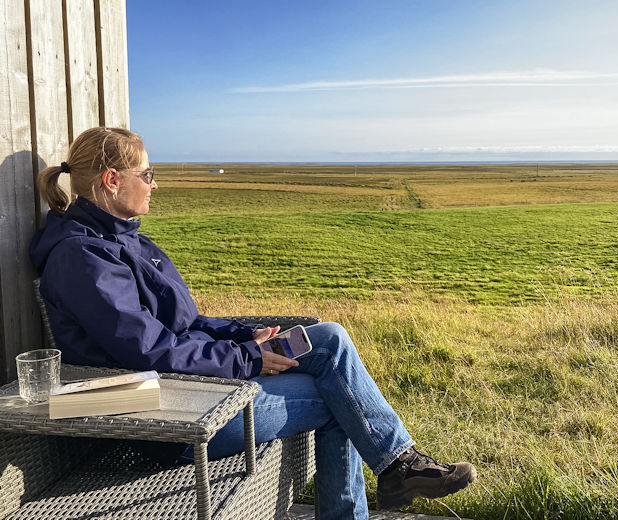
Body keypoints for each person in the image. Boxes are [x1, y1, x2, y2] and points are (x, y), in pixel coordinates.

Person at [29, 127, 476, 518]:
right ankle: (396, 470)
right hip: (167, 415)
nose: (155, 184)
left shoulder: (122, 242)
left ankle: (399, 466)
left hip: (190, 388)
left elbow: (185, 323)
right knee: (341, 400)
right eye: (147, 174)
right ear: (112, 180)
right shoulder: (84, 258)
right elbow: (148, 350)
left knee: (330, 338)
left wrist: (244, 334)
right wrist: (247, 358)